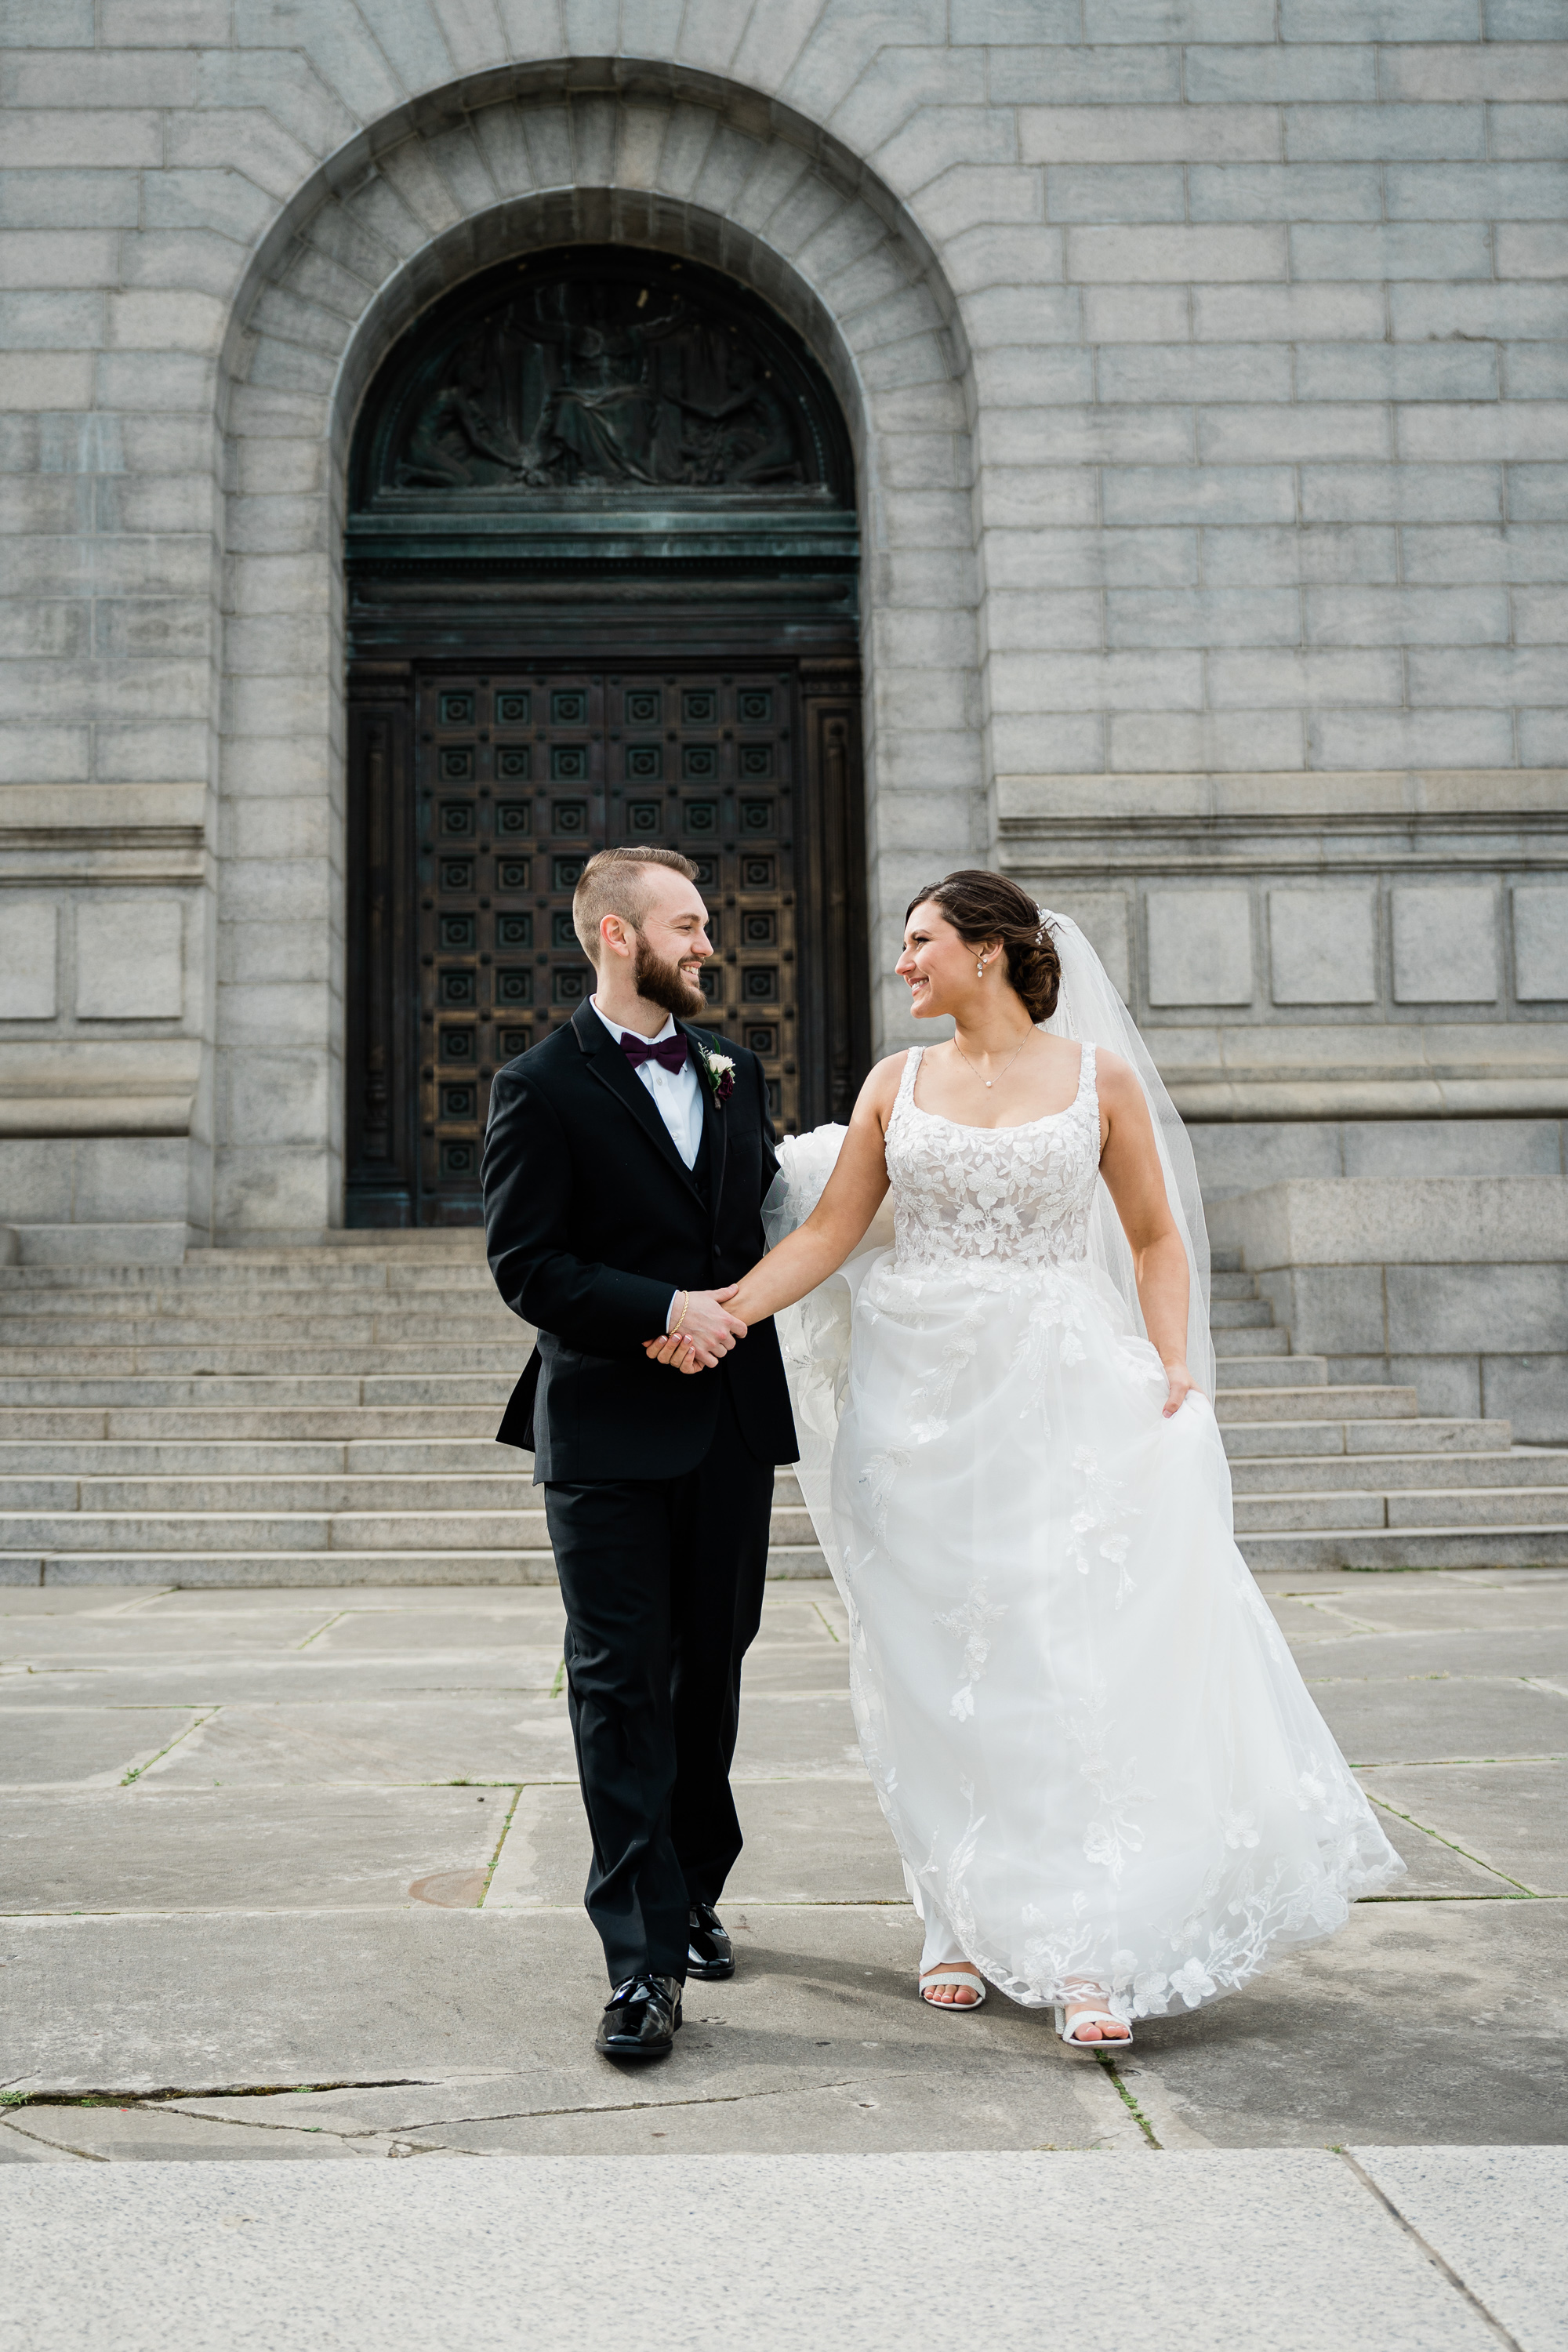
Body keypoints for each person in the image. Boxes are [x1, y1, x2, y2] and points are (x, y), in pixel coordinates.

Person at [646, 869, 1403, 2046]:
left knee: (1062, 1661)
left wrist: (1172, 1367)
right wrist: (724, 1308)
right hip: (918, 1413)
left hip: (1059, 1398)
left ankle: (1084, 1947)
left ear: (987, 952)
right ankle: (951, 1912)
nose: (902, 962)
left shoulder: (1094, 1080)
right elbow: (836, 1233)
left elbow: (1154, 1238)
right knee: (936, 1660)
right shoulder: (897, 1085)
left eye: (920, 941)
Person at [481, 845, 797, 2063]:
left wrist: (726, 1315)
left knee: (709, 1670)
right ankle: (641, 1960)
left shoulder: (735, 1070)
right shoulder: (538, 1084)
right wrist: (666, 1311)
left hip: (726, 1422)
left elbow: (757, 1217)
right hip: (607, 1429)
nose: (709, 942)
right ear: (619, 936)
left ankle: (695, 1884)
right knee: (618, 1686)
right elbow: (529, 1265)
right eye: (689, 924)